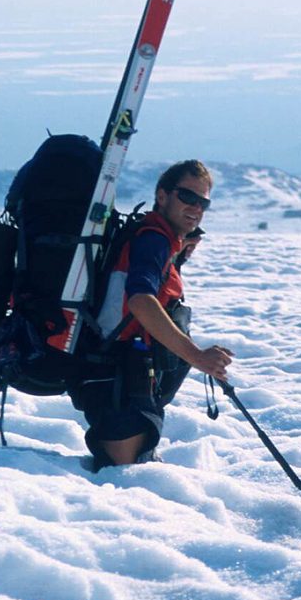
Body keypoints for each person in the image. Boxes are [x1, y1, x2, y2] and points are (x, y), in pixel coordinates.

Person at [68, 159, 234, 468]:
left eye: (203, 202)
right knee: (122, 478)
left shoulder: (160, 241)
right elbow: (140, 301)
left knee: (125, 476)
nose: (196, 207)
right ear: (162, 196)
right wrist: (197, 357)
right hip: (117, 380)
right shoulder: (152, 239)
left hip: (123, 379)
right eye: (188, 197)